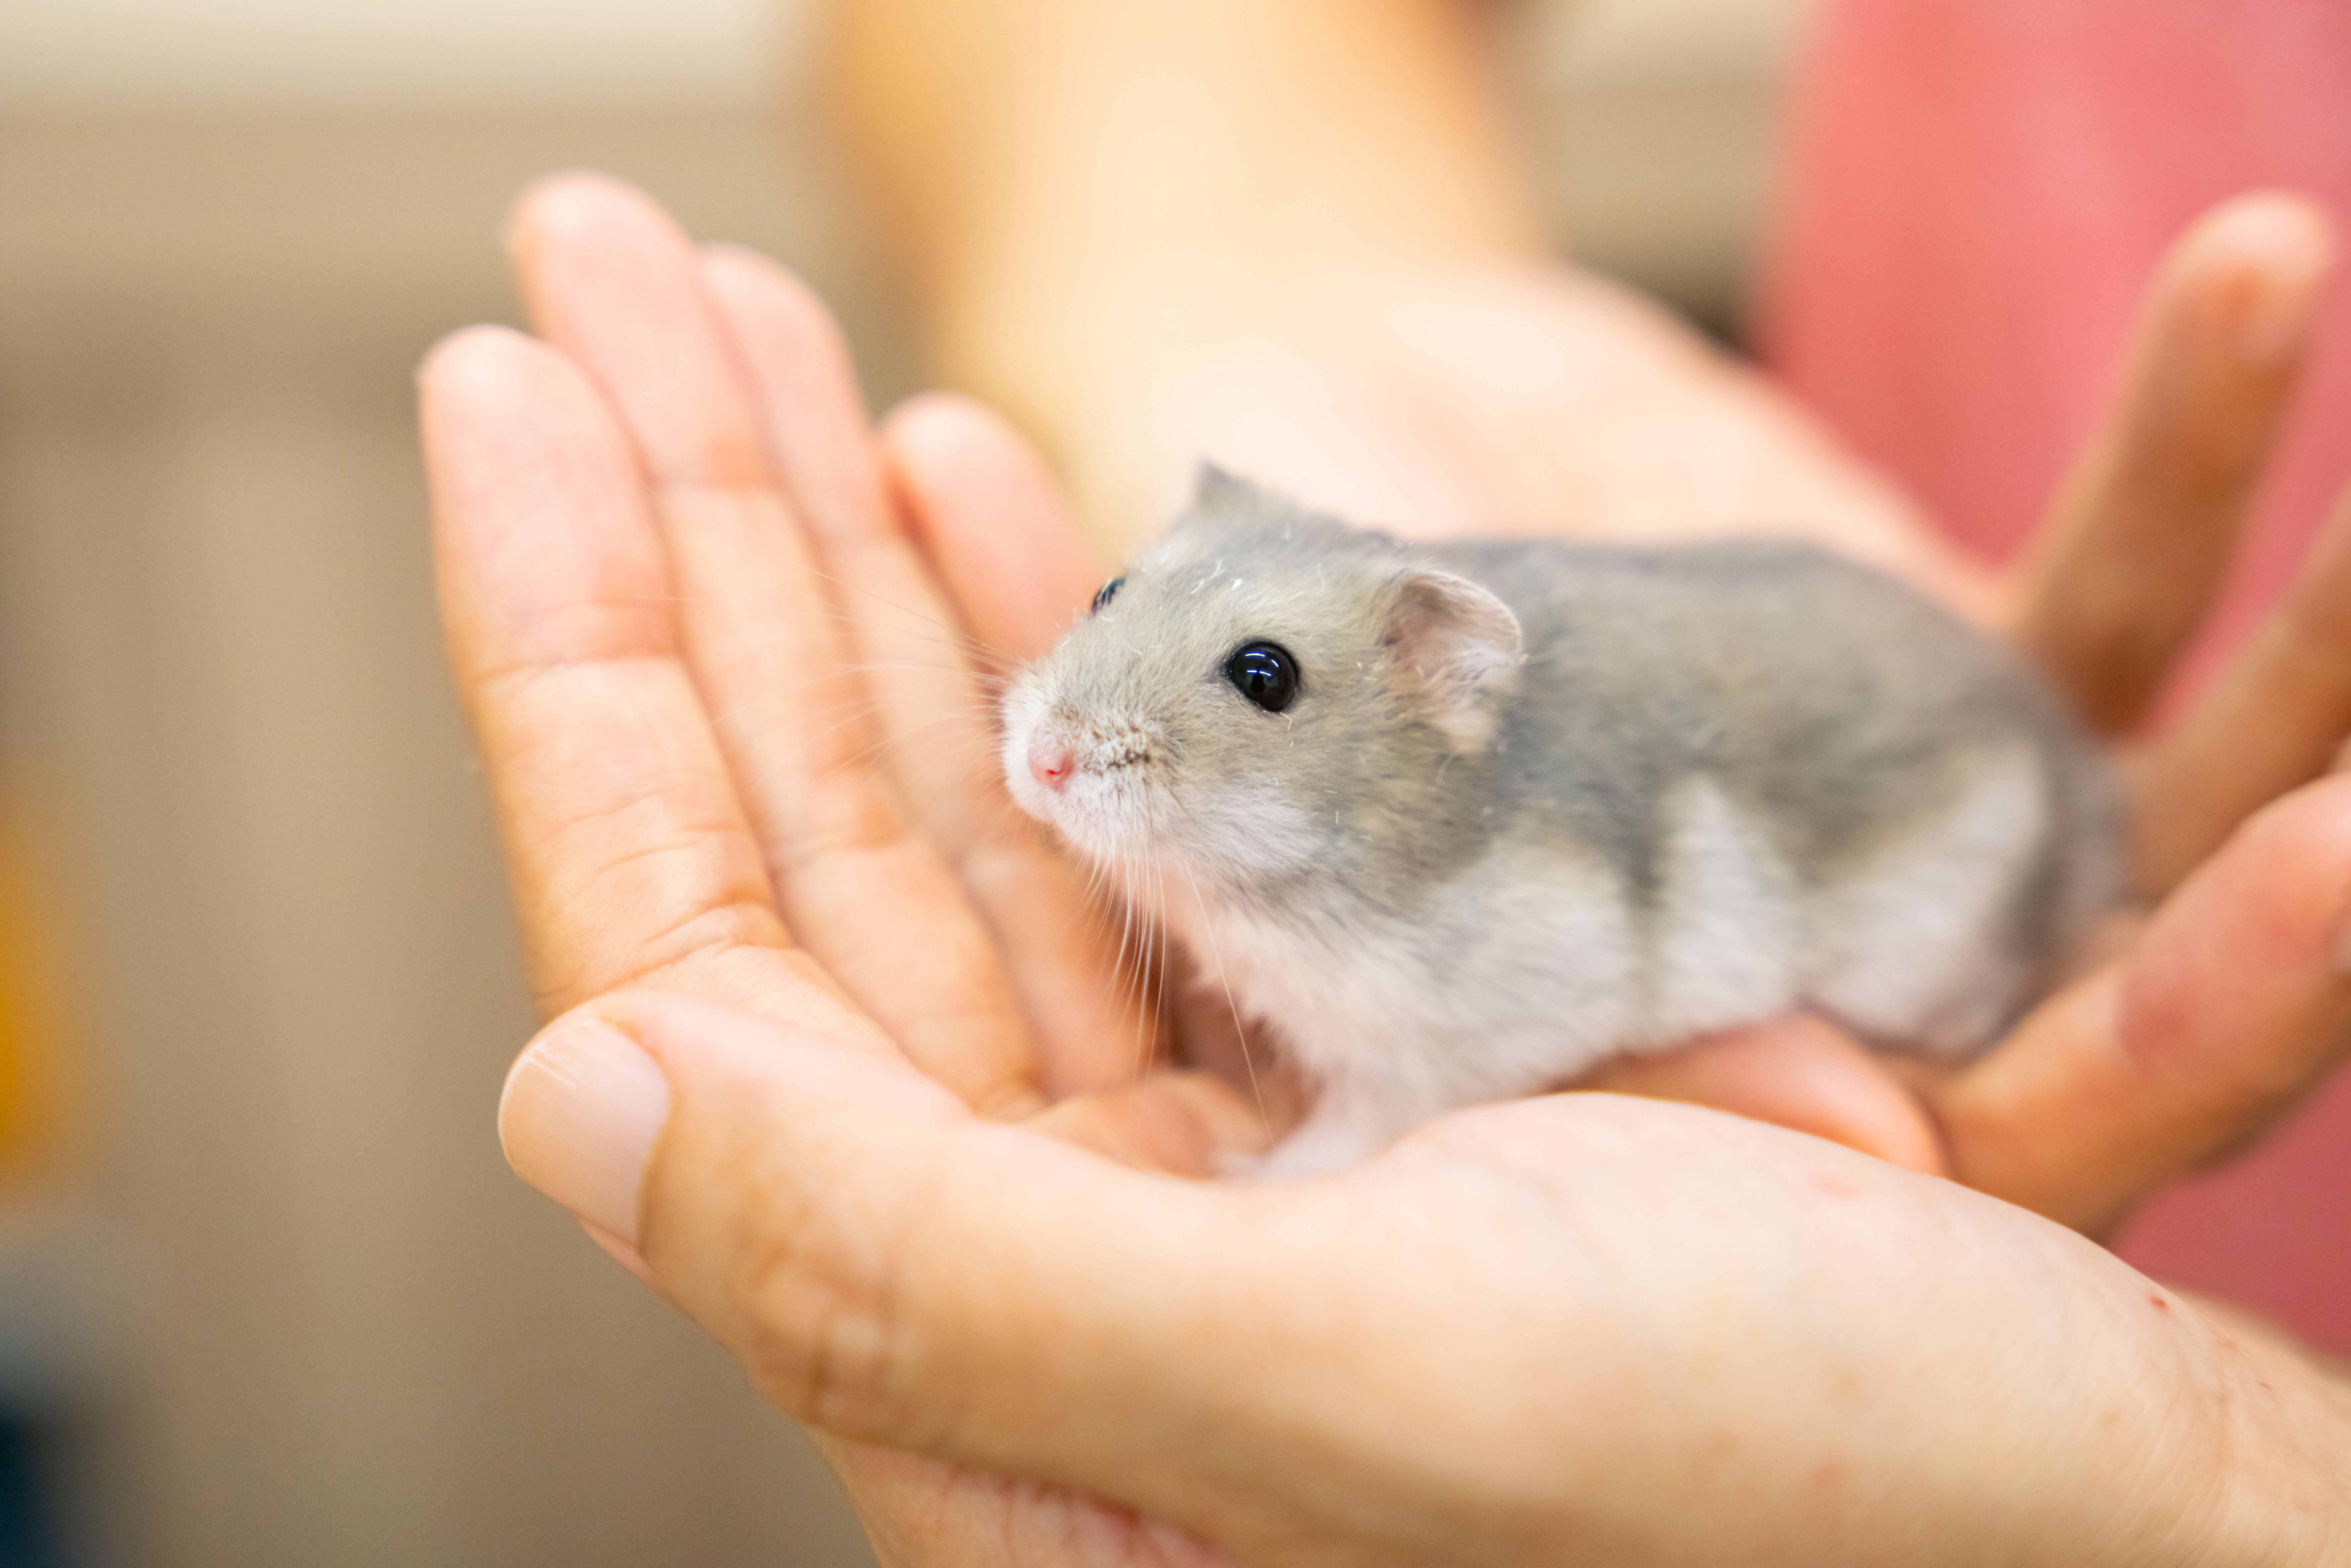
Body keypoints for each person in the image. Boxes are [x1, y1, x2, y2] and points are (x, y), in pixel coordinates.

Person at [418, 0, 2351, 1559]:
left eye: (1255, 680)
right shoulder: (1230, 752)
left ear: (1443, 685)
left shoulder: (1494, 896)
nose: (1061, 732)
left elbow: (1537, 987)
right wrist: (1236, 284)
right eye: (1115, 609)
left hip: (1961, 803)